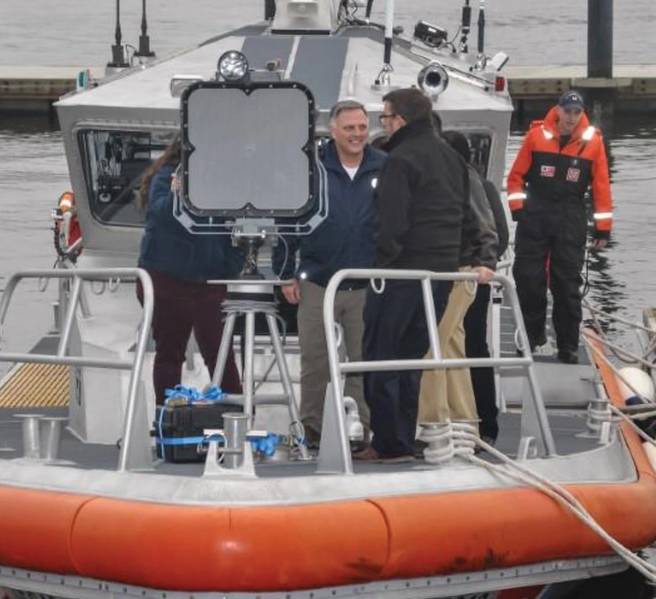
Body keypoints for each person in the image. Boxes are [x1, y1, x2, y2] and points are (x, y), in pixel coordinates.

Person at [355, 88, 482, 462]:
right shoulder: (451, 158)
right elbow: (467, 217)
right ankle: (405, 438)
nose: (385, 124)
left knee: (381, 356)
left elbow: (392, 222)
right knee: (413, 359)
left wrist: (381, 267)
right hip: (441, 275)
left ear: (401, 120)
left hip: (402, 275)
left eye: (386, 117)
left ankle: (388, 442)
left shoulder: (400, 159)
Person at [274, 100, 386, 448]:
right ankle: (312, 430)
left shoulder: (386, 167)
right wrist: (285, 273)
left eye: (362, 127)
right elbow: (287, 222)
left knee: (363, 363)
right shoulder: (311, 169)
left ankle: (362, 432)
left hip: (368, 284)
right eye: (349, 128)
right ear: (333, 131)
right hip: (318, 281)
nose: (357, 134)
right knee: (315, 361)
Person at [507, 90, 613, 364]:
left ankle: (568, 345)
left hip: (570, 216)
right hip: (536, 214)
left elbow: (601, 187)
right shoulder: (536, 136)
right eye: (568, 112)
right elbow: (516, 177)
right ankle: (531, 337)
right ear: (559, 110)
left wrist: (603, 228)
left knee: (566, 283)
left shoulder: (593, 142)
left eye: (577, 112)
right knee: (528, 278)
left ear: (581, 113)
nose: (571, 118)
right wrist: (518, 210)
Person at [137, 140, 243, 404]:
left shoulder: (228, 184)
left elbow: (236, 232)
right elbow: (161, 214)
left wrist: (229, 270)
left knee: (220, 354)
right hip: (167, 279)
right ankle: (167, 422)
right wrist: (179, 193)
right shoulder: (166, 176)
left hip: (210, 281)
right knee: (170, 353)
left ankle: (237, 420)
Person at [417, 130, 498, 431]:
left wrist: (485, 262)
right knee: (452, 347)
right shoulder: (448, 179)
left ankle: (433, 421)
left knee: (431, 345)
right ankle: (465, 421)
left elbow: (488, 226)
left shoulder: (465, 178)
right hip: (449, 271)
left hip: (461, 272)